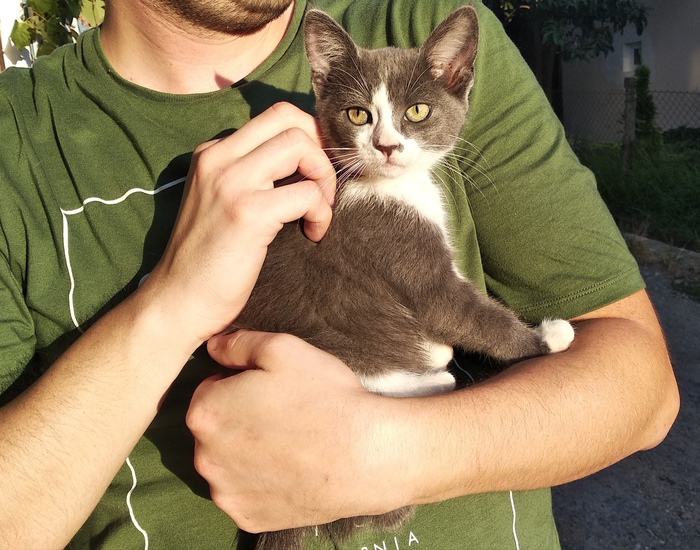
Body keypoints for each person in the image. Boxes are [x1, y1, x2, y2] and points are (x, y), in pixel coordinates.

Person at [0, 0, 679, 547]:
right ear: (323, 83)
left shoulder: (417, 21)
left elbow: (643, 391)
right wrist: (167, 309)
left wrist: (384, 453)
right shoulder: (19, 138)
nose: (386, 140)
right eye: (359, 115)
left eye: (412, 115)